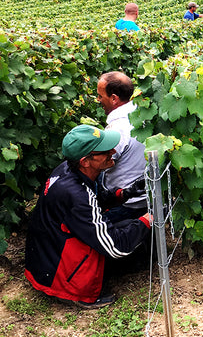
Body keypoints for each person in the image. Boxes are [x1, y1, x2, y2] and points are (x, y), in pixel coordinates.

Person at [25, 124, 152, 309]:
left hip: (44, 259)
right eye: (105, 150)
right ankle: (77, 294)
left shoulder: (67, 171)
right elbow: (116, 247)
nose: (113, 151)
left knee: (127, 226)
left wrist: (124, 193)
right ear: (85, 161)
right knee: (133, 240)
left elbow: (94, 198)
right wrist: (148, 219)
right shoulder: (76, 196)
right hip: (57, 276)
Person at [97, 71, 147, 221]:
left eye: (100, 96)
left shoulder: (118, 128)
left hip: (127, 204)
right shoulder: (141, 116)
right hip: (145, 199)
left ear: (114, 99)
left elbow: (98, 163)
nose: (98, 99)